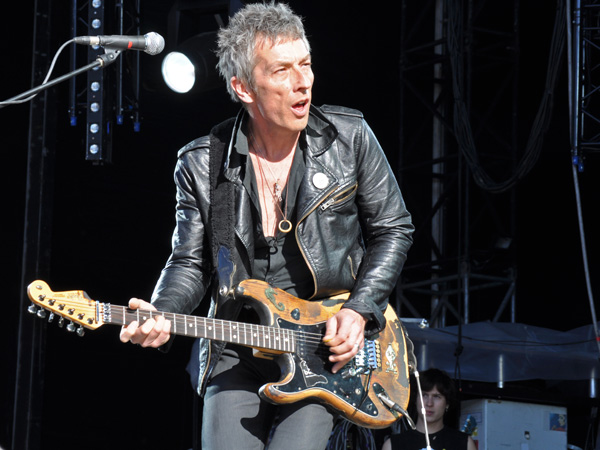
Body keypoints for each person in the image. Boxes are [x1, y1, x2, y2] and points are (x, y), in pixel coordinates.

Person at [119, 2, 414, 449]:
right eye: (281, 70)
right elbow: (190, 263)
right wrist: (161, 312)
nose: (303, 82)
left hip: (323, 341)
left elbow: (394, 228)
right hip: (239, 341)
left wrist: (359, 308)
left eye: (306, 64)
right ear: (243, 87)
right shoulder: (202, 163)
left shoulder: (349, 136)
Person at [382, 369, 477, 450]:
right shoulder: (393, 445)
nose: (429, 403)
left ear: (447, 403)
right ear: (416, 399)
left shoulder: (464, 444)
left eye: (436, 396)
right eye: (424, 395)